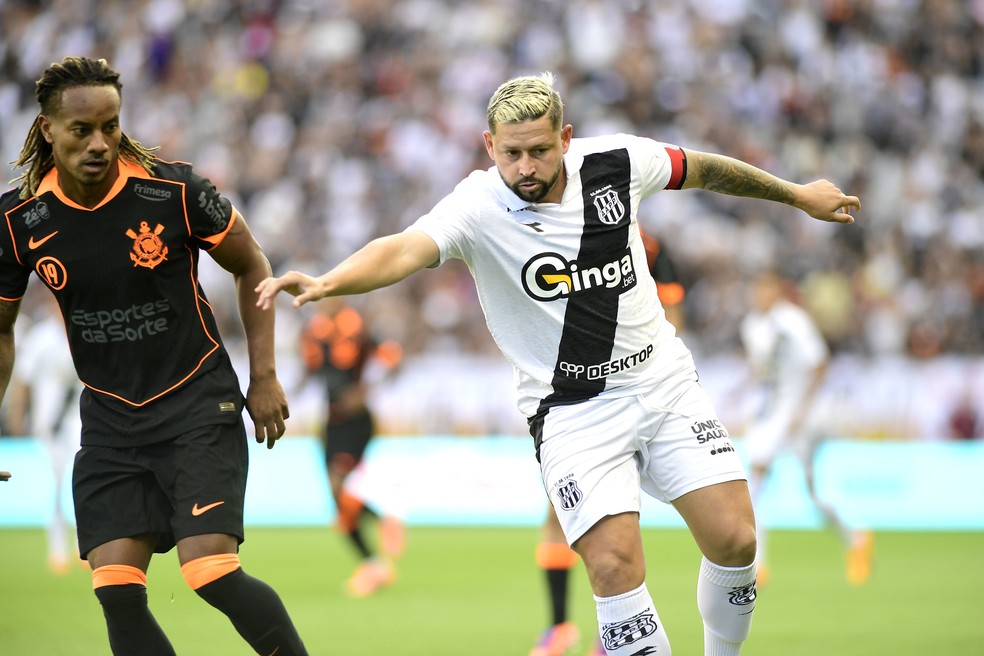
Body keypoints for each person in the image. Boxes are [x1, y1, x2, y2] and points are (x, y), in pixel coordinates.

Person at [257, 72, 860, 655]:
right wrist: (331, 282)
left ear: (566, 139)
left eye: (541, 151)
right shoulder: (476, 204)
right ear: (489, 145)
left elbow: (706, 169)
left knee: (736, 540)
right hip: (570, 410)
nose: (526, 167)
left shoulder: (619, 163)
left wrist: (796, 195)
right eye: (512, 153)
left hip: (663, 381)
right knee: (613, 563)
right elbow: (404, 249)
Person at [0, 56, 307, 655]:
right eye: (81, 130)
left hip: (196, 400)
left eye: (110, 126)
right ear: (47, 130)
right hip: (111, 419)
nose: (99, 142)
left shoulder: (174, 190)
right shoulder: (18, 219)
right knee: (115, 587)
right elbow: (1, 328)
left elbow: (252, 266)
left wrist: (263, 375)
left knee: (210, 572)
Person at [530, 230, 688, 656]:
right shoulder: (561, 238)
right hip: (578, 406)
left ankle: (614, 631)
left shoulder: (650, 246)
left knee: (619, 528)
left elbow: (673, 315)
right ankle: (562, 625)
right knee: (560, 519)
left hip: (640, 396)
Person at [738, 270, 873, 587]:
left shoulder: (793, 321)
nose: (759, 294)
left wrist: (802, 410)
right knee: (756, 479)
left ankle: (857, 537)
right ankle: (759, 566)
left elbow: (820, 364)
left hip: (801, 413)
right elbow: (761, 371)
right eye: (756, 288)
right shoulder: (751, 325)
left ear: (777, 290)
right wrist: (741, 393)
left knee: (810, 492)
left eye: (765, 288)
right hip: (772, 413)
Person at [300, 297, 405, 597]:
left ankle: (374, 562)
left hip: (356, 422)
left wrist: (366, 390)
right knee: (337, 499)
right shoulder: (314, 331)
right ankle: (378, 544)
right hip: (331, 422)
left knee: (337, 484)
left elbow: (394, 360)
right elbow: (313, 372)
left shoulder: (358, 328)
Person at [5, 290, 83, 574]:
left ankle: (81, 546)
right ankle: (57, 549)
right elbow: (22, 380)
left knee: (81, 482)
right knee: (54, 485)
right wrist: (17, 417)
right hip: (47, 422)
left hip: (81, 421)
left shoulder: (82, 331)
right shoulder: (40, 338)